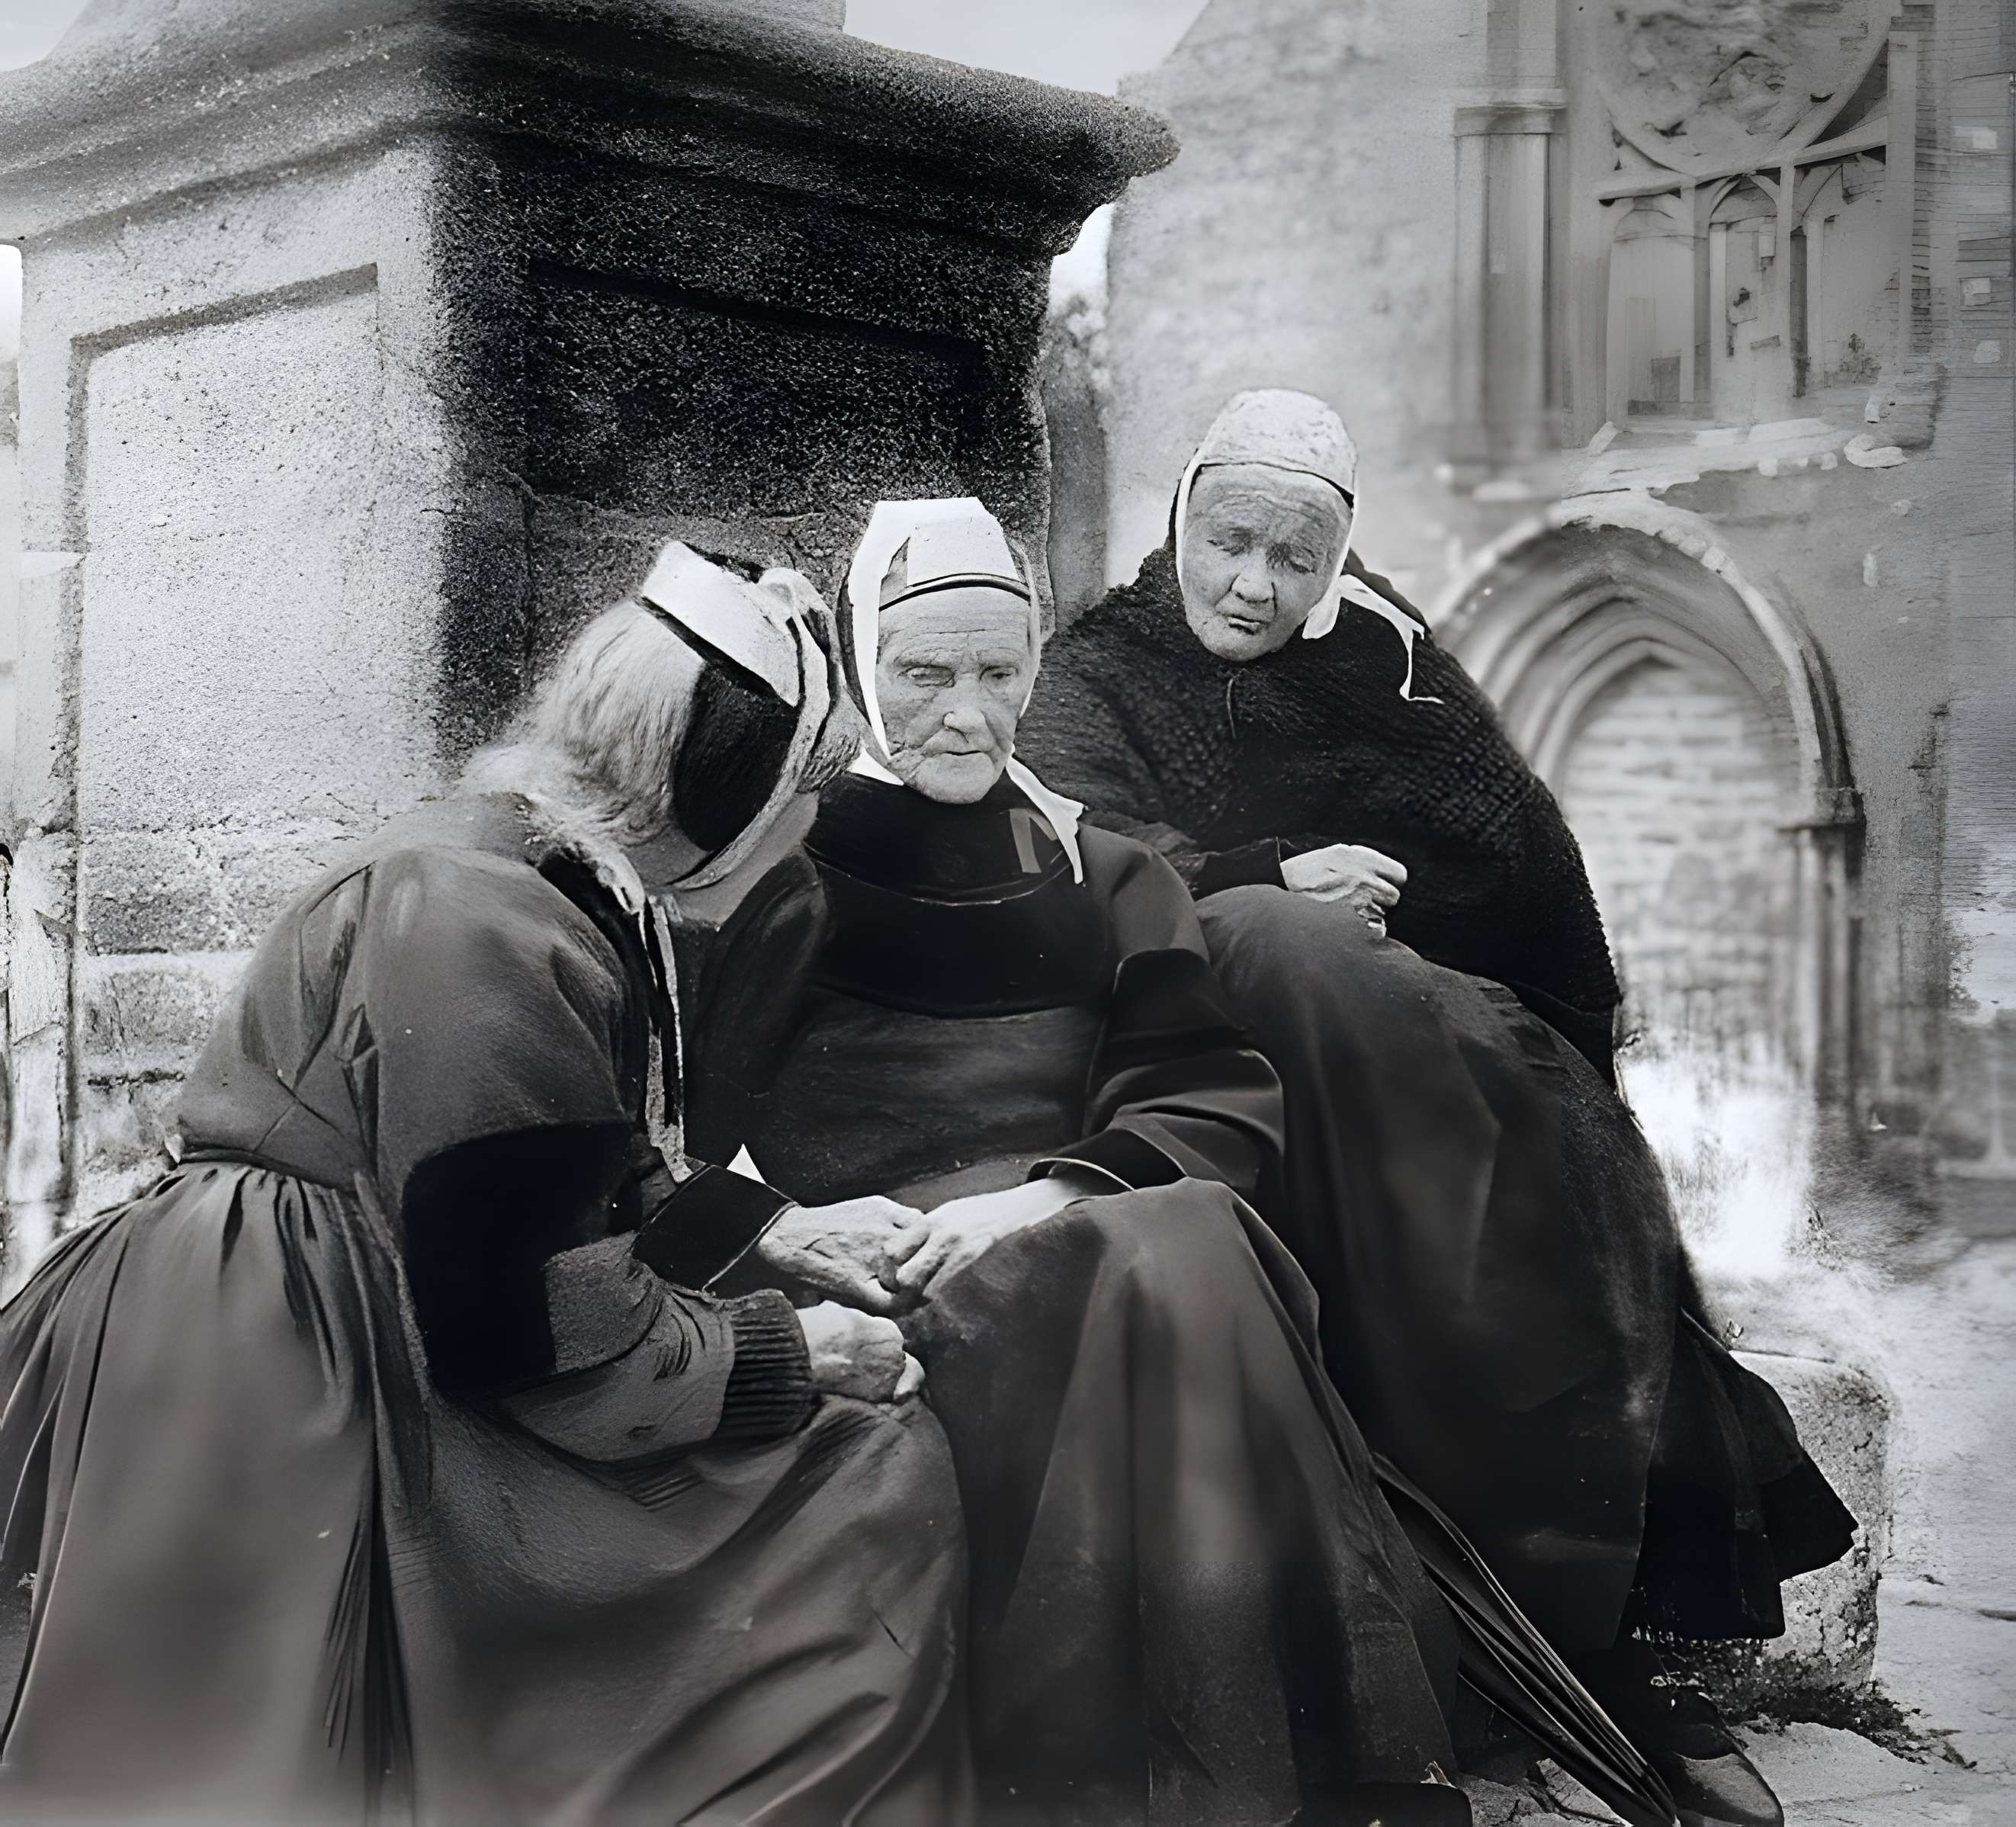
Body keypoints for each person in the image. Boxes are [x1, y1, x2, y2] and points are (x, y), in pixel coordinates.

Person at [0, 546, 968, 1825]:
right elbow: (542, 1343)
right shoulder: (487, 913)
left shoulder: (516, 863)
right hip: (285, 1363)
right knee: (869, 1483)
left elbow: (553, 1156)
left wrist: (773, 1232)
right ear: (721, 778)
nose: (805, 823)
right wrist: (797, 1354)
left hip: (294, 1304)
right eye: (802, 784)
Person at [1016, 390, 1858, 1827]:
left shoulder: (1386, 660)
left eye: (1293, 561)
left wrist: (1549, 1033)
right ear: (1181, 523)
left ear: (1334, 564)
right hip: (1207, 1069)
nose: (1253, 587)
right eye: (1230, 545)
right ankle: (1495, 1663)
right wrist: (1268, 872)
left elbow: (1520, 853)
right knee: (1295, 953)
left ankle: (1604, 1655)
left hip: (1419, 1057)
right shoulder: (1096, 668)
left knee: (1555, 1162)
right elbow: (1076, 847)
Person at [689, 496, 1491, 1827]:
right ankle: (1316, 1784)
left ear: (1035, 676)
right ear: (861, 673)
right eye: (926, 674)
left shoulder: (1107, 871)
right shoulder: (781, 871)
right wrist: (791, 1228)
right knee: (1181, 1251)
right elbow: (675, 1136)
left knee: (1182, 1235)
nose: (967, 713)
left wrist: (1047, 1194)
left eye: (1000, 675)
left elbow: (1204, 1090)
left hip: (1076, 1225)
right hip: (900, 1260)